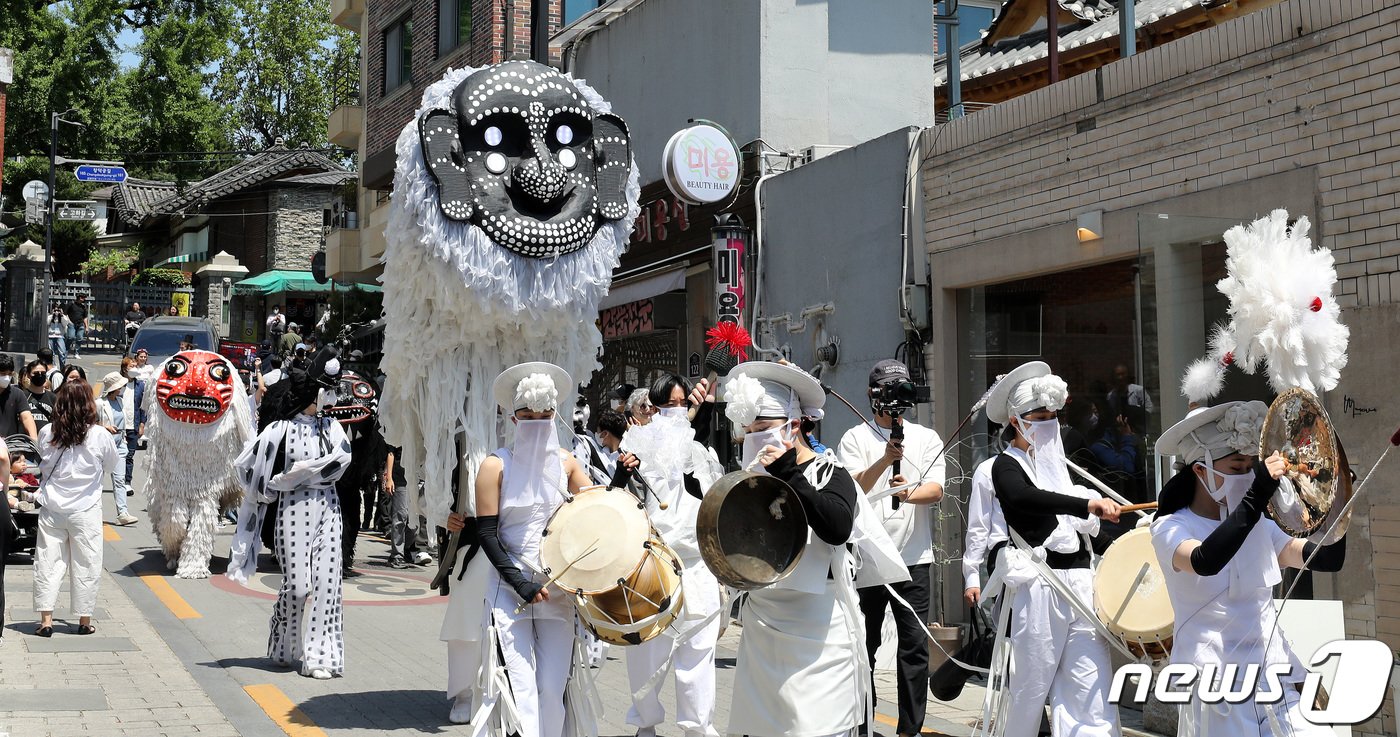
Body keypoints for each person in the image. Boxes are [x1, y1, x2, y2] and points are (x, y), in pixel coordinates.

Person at [1151, 402, 1345, 735]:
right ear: (1201, 470)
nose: (1248, 475)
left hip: (1276, 671)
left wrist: (1334, 499)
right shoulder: (1170, 528)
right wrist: (1256, 496)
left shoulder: (1260, 525)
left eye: (1251, 466)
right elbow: (1204, 561)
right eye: (1238, 467)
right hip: (1217, 680)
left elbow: (1325, 559)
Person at [440, 362, 608, 732]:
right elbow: (487, 534)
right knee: (520, 689)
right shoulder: (495, 465)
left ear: (555, 415)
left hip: (557, 590)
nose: (536, 421)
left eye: (544, 415)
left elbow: (598, 514)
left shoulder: (568, 463)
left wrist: (623, 477)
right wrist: (520, 583)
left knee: (550, 689)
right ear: (514, 419)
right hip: (508, 590)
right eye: (527, 416)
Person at [720, 360, 869, 737]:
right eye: (749, 432)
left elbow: (837, 527)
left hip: (820, 631)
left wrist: (790, 472)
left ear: (795, 424)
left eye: (766, 429)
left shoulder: (829, 472)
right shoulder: (748, 482)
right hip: (764, 627)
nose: (756, 440)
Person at [982, 361, 1122, 737]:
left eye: (1052, 415)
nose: (1049, 422)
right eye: (1039, 416)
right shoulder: (1005, 466)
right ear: (1017, 421)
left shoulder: (1059, 467)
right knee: (1028, 693)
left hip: (1080, 585)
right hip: (1039, 586)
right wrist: (1085, 504)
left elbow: (1077, 525)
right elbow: (1022, 497)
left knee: (1093, 686)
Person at [836, 359, 946, 737]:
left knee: (913, 648)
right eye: (887, 391)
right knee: (863, 645)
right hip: (868, 557)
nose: (894, 400)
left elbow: (937, 490)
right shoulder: (855, 438)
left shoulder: (927, 437)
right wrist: (885, 458)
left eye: (901, 390)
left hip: (914, 559)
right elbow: (853, 491)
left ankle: (909, 730)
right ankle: (862, 722)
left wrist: (908, 491)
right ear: (872, 395)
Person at [227, 350, 353, 679]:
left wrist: (304, 472)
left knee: (327, 585)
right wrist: (271, 487)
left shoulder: (334, 428)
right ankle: (284, 637)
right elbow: (246, 466)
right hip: (292, 512)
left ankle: (320, 656)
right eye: (327, 389)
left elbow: (342, 460)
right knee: (298, 587)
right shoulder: (281, 429)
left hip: (328, 510)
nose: (331, 396)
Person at [619, 374, 724, 737]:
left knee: (698, 648)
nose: (677, 412)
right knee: (649, 652)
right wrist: (623, 472)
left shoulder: (699, 449)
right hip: (653, 564)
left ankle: (698, 726)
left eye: (684, 404)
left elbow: (708, 491)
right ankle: (645, 722)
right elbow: (621, 501)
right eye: (669, 404)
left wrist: (706, 408)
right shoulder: (636, 448)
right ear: (653, 408)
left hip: (697, 564)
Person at [33, 379, 120, 637]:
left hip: (52, 508)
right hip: (86, 509)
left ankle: (46, 621)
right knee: (87, 563)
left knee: (48, 563)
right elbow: (112, 465)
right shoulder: (100, 435)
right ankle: (84, 620)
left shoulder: (47, 432)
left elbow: (43, 463)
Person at [97, 372, 139, 526]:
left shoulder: (120, 401)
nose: (122, 387)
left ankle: (122, 513)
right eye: (120, 385)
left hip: (120, 445)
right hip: (103, 446)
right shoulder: (99, 403)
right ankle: (94, 511)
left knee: (120, 480)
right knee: (97, 481)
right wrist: (105, 427)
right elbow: (88, 423)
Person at [0, 355, 38, 441]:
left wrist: (34, 440)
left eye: (9, 374)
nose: (6, 377)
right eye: (3, 374)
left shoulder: (17, 394)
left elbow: (26, 417)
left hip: (11, 446)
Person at [24, 360, 59, 431]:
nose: (40, 375)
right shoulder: (22, 396)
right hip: (25, 439)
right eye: (35, 373)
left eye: (43, 373)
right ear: (28, 375)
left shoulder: (52, 397)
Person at [65, 295, 89, 359]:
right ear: (79, 298)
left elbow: (85, 317)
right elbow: (65, 313)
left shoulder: (83, 307)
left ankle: (76, 353)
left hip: (80, 324)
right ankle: (66, 351)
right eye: (83, 298)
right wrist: (68, 321)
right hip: (71, 323)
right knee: (70, 337)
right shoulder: (71, 304)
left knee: (80, 338)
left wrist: (86, 327)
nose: (84, 299)